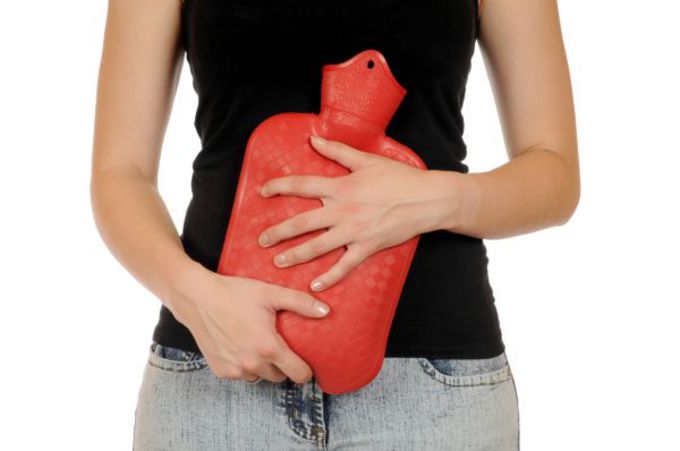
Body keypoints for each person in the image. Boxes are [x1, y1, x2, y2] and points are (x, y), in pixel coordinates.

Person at [90, 0, 579, 449]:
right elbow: (120, 173)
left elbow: (554, 175)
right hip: (217, 372)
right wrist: (194, 296)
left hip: (431, 394)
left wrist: (429, 199)